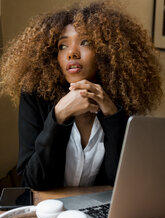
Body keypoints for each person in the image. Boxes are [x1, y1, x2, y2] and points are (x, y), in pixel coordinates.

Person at [0, 1, 162, 190]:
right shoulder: (35, 96)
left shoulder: (124, 99)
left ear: (106, 52)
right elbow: (33, 182)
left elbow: (122, 184)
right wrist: (58, 116)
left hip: (98, 214)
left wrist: (112, 117)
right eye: (62, 46)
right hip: (51, 213)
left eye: (85, 42)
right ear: (53, 56)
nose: (72, 53)